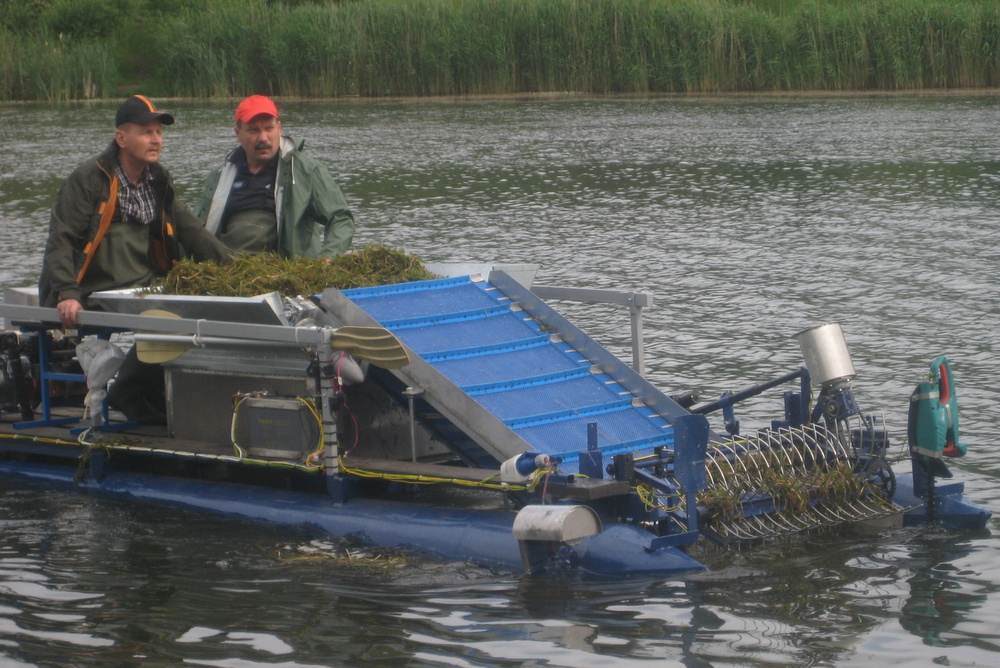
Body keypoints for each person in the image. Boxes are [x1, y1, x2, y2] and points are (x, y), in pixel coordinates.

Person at [38, 95, 234, 423]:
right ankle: (127, 392)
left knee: (194, 311)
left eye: (158, 132)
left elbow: (191, 229)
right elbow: (61, 239)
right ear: (121, 138)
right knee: (167, 321)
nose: (156, 139)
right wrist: (67, 294)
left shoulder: (158, 178)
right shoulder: (88, 178)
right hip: (93, 292)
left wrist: (236, 267)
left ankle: (147, 392)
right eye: (146, 132)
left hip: (142, 286)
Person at [195, 94, 354, 259]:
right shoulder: (220, 176)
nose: (263, 138)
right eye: (253, 130)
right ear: (238, 133)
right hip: (227, 271)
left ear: (279, 128)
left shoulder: (306, 171)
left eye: (269, 128)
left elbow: (340, 218)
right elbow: (196, 229)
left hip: (284, 271)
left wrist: (328, 257)